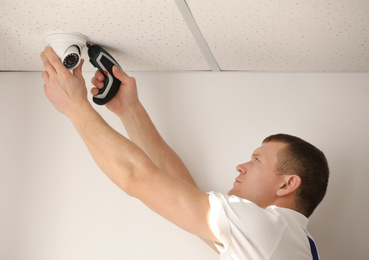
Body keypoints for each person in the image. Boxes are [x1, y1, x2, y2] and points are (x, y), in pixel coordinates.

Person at [40, 46, 329, 260]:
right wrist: (130, 111)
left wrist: (74, 106)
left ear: (287, 183)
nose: (241, 167)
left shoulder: (268, 230)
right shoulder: (291, 242)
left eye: (256, 160)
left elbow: (138, 178)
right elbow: (181, 192)